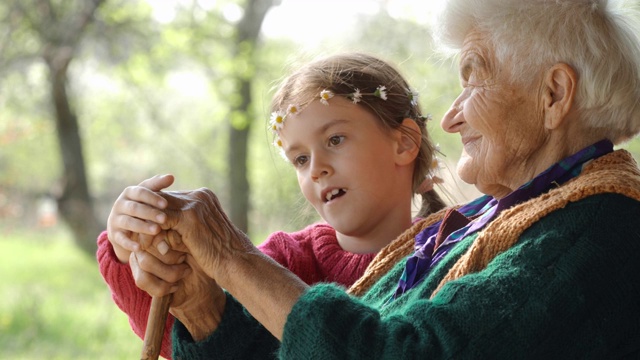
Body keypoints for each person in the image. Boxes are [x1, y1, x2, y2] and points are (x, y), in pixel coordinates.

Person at [130, 0, 640, 358]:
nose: (451, 118)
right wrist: (203, 305)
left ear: (553, 95)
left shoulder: (600, 230)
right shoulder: (491, 223)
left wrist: (231, 256)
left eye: (473, 78)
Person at [96, 52, 447, 359]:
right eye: (299, 159)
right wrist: (128, 245)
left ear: (404, 143)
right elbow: (189, 337)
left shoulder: (453, 254)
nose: (316, 168)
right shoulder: (281, 262)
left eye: (335, 139)